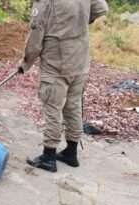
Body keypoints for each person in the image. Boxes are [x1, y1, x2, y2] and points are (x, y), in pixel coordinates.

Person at [17, 0, 109, 172]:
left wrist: (25, 63)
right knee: (73, 106)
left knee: (52, 106)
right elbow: (101, 8)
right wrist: (78, 21)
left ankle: (49, 157)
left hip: (56, 63)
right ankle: (71, 153)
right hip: (80, 61)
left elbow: (36, 36)